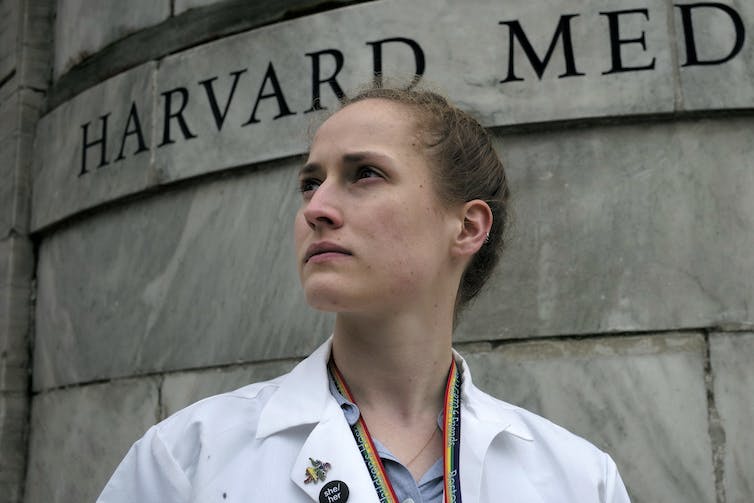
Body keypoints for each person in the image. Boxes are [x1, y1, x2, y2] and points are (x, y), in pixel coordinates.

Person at [97, 84, 631, 502]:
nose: (316, 208)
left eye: (365, 174)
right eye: (311, 182)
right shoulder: (188, 457)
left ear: (467, 227)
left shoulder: (580, 480)